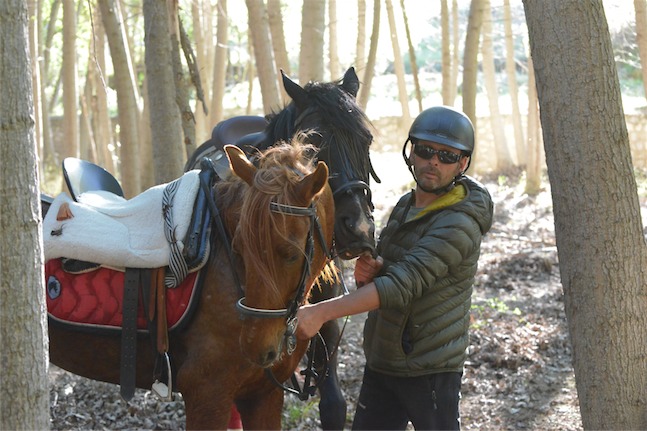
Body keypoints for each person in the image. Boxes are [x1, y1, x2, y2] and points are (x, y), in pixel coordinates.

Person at [296, 105, 494, 430]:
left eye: (446, 156)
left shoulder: (460, 222)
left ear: (463, 163)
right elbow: (393, 274)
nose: (433, 161)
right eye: (426, 150)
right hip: (384, 361)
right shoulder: (406, 205)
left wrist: (320, 312)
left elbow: (402, 285)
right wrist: (373, 271)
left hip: (430, 369)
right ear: (412, 152)